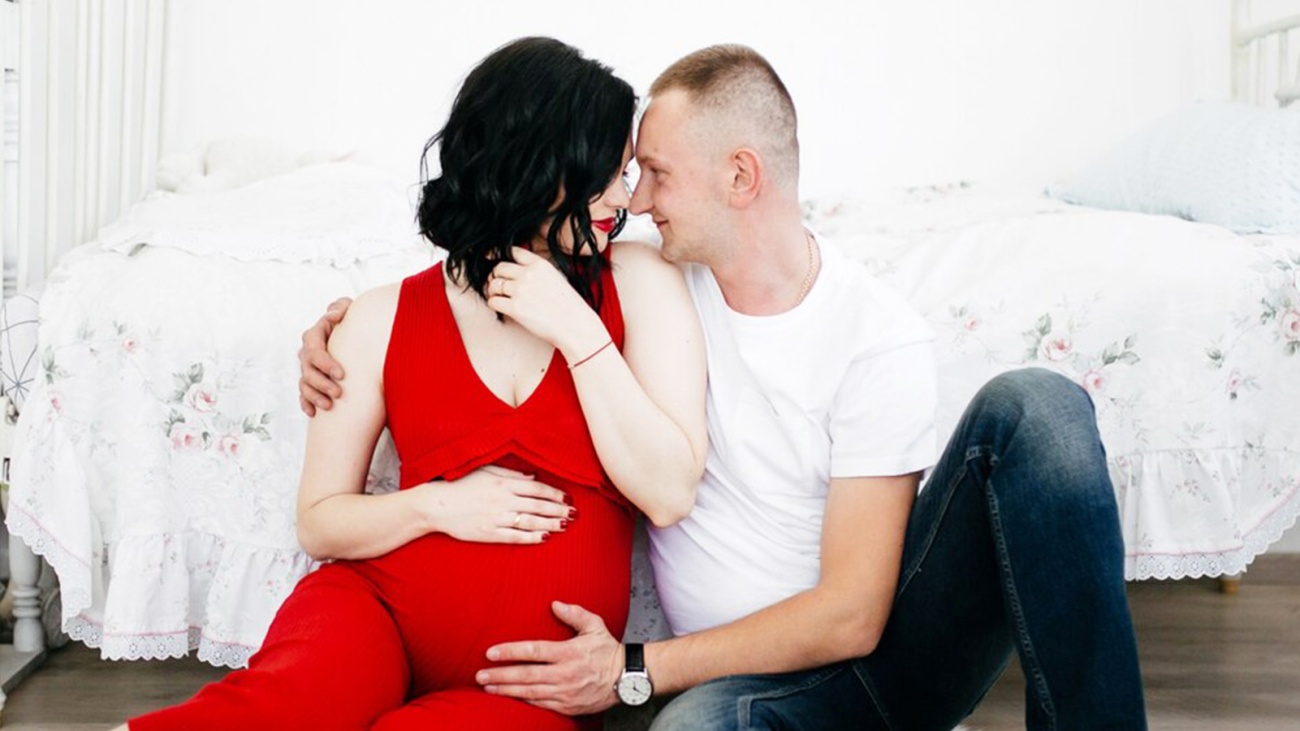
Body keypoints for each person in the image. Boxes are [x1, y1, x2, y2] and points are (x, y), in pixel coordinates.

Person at [300, 46, 1148, 730]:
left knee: (1038, 406)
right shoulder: (652, 280)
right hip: (747, 689)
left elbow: (854, 615)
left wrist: (635, 669)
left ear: (741, 177)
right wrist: (339, 328)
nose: (634, 200)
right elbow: (490, 273)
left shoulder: (873, 334)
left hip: (897, 653)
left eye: (656, 174)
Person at [118, 37, 707, 731]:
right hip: (373, 613)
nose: (624, 199)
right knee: (283, 707)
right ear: (538, 165)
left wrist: (575, 329)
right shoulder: (378, 317)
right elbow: (320, 520)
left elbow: (669, 492)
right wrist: (436, 506)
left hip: (526, 688)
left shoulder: (637, 281)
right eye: (605, 173)